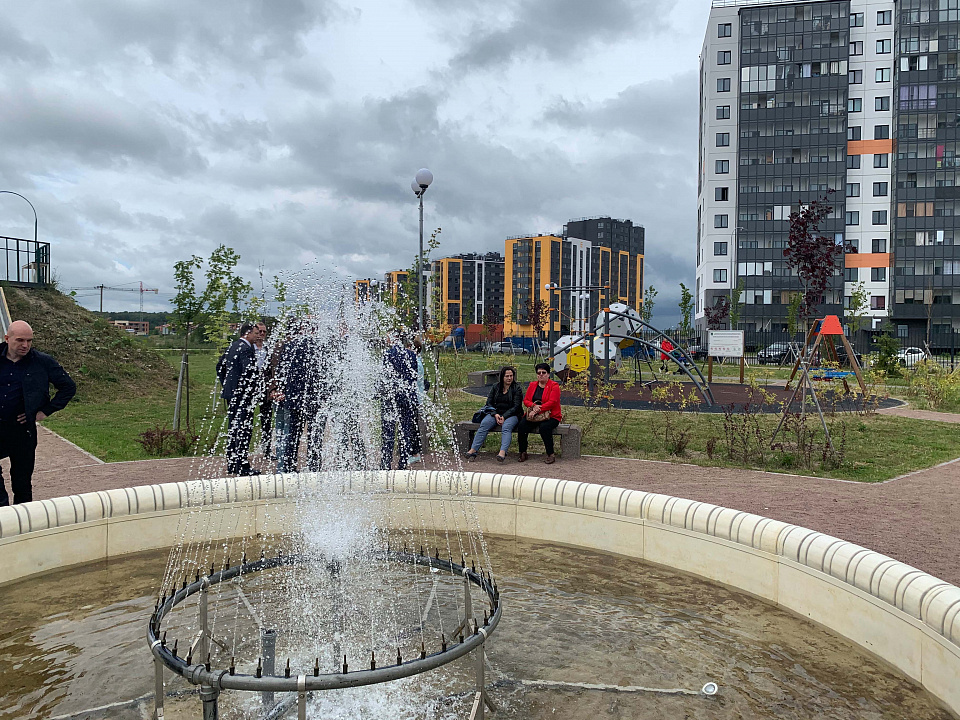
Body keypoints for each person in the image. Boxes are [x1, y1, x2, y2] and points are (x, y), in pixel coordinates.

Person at [0, 320, 76, 505]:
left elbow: (68, 387)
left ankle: (24, 524)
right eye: (20, 340)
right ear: (7, 338)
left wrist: (44, 411)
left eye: (29, 340)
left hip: (22, 431)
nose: (25, 345)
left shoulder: (42, 362)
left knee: (22, 482)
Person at [218, 322, 261, 475]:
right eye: (256, 333)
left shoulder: (233, 346)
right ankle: (242, 466)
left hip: (232, 395)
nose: (258, 336)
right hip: (243, 396)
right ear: (247, 333)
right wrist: (253, 389)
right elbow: (249, 372)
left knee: (234, 428)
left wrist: (228, 385)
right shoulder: (246, 349)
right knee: (244, 429)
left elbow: (219, 367)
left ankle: (231, 463)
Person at [465, 365, 522, 463]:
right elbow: (489, 403)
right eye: (507, 376)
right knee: (484, 424)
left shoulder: (517, 388)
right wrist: (495, 414)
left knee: (506, 427)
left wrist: (504, 416)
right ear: (502, 377)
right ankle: (473, 450)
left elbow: (516, 406)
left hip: (512, 415)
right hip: (495, 413)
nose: (509, 378)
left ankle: (502, 452)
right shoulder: (495, 387)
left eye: (511, 376)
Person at [380, 335, 419, 471]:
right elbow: (414, 376)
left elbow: (385, 376)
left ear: (394, 338)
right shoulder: (411, 355)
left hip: (391, 397)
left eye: (388, 337)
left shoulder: (388, 354)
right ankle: (402, 463)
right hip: (407, 397)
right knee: (405, 431)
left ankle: (386, 464)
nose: (387, 339)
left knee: (388, 431)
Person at [516, 362, 563, 465]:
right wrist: (533, 406)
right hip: (534, 415)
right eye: (539, 373)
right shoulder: (532, 385)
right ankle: (523, 451)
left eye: (543, 372)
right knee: (522, 425)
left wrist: (537, 410)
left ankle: (550, 454)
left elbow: (552, 402)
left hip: (551, 415)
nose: (541, 375)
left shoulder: (554, 386)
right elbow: (526, 400)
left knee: (544, 428)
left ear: (548, 374)